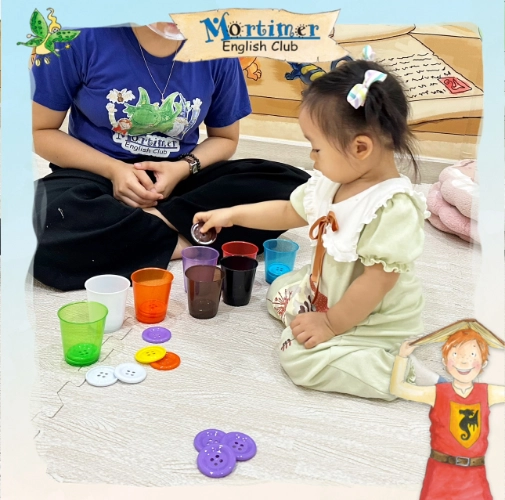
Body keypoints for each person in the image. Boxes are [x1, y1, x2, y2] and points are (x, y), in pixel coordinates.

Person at [194, 58, 433, 400]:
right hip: (331, 289)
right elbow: (287, 211)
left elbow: (377, 282)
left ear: (360, 148)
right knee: (278, 291)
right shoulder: (331, 181)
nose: (312, 156)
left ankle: (398, 373)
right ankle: (318, 314)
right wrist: (232, 215)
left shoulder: (393, 208)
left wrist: (331, 324)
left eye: (317, 147)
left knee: (298, 358)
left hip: (371, 314)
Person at [30, 21, 309, 291]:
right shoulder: (78, 36)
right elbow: (40, 131)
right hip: (97, 172)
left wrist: (182, 168)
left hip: (180, 177)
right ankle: (190, 238)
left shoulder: (217, 48)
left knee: (299, 190)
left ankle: (142, 230)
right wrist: (114, 170)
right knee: (30, 224)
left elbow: (224, 138)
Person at [390, 330, 505, 500]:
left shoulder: (487, 393)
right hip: (440, 476)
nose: (464, 361)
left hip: (475, 478)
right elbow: (398, 389)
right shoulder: (437, 393)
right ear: (445, 361)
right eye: (455, 354)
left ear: (483, 362)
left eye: (472, 355)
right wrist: (402, 357)